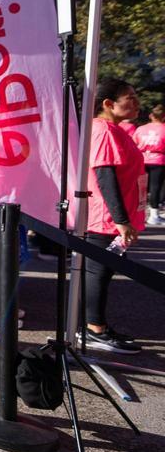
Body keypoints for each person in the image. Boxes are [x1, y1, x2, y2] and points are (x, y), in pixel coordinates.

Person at [81, 79, 146, 353]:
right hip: (105, 218)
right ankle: (94, 329)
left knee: (103, 272)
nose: (136, 102)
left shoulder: (113, 129)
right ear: (108, 104)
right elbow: (105, 176)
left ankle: (95, 326)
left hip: (112, 217)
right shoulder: (103, 130)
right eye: (129, 97)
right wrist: (121, 220)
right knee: (99, 271)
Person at [133, 104, 165, 225]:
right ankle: (154, 215)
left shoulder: (141, 129)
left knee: (140, 188)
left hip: (142, 159)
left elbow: (133, 143)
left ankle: (137, 214)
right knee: (155, 188)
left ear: (151, 116)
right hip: (158, 160)